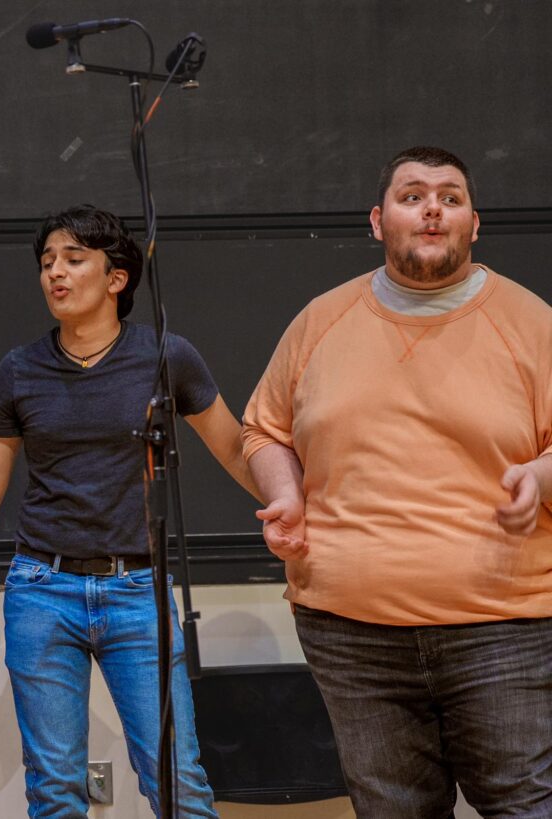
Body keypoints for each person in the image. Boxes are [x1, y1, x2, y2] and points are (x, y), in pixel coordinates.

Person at [0, 205, 258, 818]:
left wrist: (299, 507)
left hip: (138, 592)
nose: (55, 274)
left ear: (116, 277)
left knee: (176, 780)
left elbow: (233, 446)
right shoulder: (20, 369)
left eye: (73, 260)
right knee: (54, 787)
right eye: (47, 263)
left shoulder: (166, 357)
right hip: (42, 590)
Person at [243, 146, 552, 817]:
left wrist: (540, 475)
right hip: (348, 630)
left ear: (476, 222)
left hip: (501, 628)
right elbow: (264, 431)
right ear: (379, 221)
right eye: (412, 195)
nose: (433, 207)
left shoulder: (532, 323)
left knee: (526, 807)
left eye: (450, 195)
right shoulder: (319, 321)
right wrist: (287, 494)